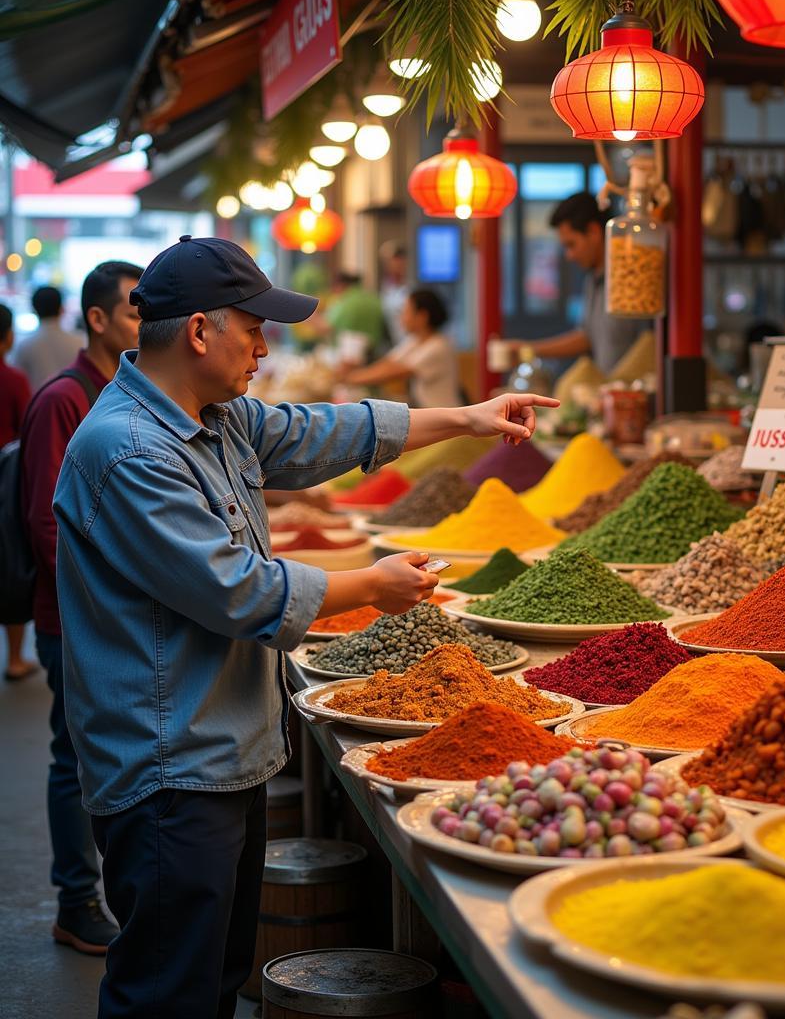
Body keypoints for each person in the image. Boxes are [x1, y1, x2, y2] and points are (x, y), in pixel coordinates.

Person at [52, 235, 557, 1018]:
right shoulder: (128, 451)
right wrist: (373, 584)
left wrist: (469, 417)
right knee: (165, 994)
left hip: (225, 750)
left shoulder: (215, 419)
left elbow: (323, 430)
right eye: (253, 328)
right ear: (197, 332)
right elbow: (236, 590)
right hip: (169, 768)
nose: (264, 347)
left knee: (213, 980)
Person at [21, 260, 143, 955]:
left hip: (114, 618)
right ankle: (76, 899)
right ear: (96, 319)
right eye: (131, 313)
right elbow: (48, 526)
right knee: (74, 760)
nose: (141, 326)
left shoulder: (124, 393)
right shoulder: (65, 400)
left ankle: (108, 893)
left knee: (105, 760)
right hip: (74, 621)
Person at [512, 192, 647, 374]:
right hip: (606, 394)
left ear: (593, 231)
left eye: (571, 244)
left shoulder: (633, 275)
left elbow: (650, 342)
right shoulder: (592, 280)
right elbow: (587, 336)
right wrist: (528, 350)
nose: (569, 255)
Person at [339, 288, 462, 409]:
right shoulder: (415, 341)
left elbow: (394, 372)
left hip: (443, 415)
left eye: (406, 312)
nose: (401, 318)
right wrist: (353, 374)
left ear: (422, 316)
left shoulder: (439, 346)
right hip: (429, 410)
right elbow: (388, 362)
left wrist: (349, 378)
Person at [0, 301, 36, 682]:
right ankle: (13, 658)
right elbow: (24, 430)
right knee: (7, 561)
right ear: (8, 337)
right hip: (4, 482)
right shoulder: (12, 379)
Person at [11, 284, 85, 391]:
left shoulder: (24, 346)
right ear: (62, 308)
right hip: (77, 404)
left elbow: (17, 384)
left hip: (38, 405)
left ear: (34, 310)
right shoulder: (80, 342)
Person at [316, 270, 387, 357]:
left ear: (341, 285)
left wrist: (305, 312)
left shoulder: (345, 302)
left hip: (350, 357)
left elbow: (325, 327)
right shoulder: (373, 298)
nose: (333, 292)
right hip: (375, 352)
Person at [379, 239, 408, 345]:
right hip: (395, 342)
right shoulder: (386, 286)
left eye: (396, 260)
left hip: (412, 342)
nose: (392, 264)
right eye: (387, 261)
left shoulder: (412, 285)